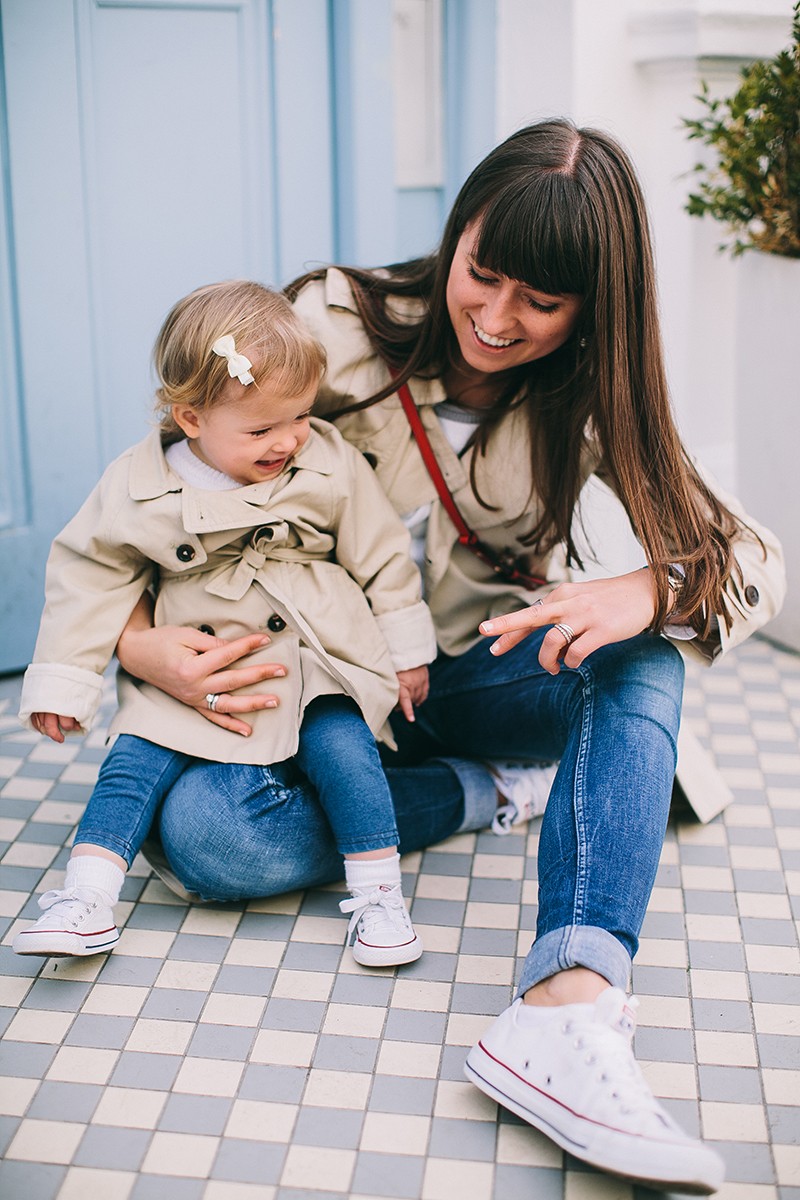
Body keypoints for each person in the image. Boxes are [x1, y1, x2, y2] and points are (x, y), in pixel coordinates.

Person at [83, 121, 783, 1194]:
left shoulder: (594, 399)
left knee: (638, 651)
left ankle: (569, 1003)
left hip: (454, 677)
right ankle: (483, 794)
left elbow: (746, 557)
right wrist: (139, 645)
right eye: (481, 273)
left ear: (592, 307)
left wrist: (644, 587)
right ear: (454, 235)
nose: (495, 321)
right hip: (303, 686)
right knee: (209, 841)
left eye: (539, 304)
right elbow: (164, 475)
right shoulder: (325, 319)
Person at [15, 280, 441, 967]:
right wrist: (66, 683)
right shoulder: (138, 483)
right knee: (133, 757)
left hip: (310, 654)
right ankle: (87, 895)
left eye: (300, 416)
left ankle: (378, 895)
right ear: (190, 419)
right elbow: (91, 573)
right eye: (261, 429)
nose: (289, 440)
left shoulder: (326, 460)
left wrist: (405, 650)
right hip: (196, 662)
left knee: (345, 749)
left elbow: (382, 551)